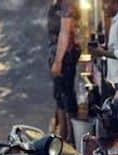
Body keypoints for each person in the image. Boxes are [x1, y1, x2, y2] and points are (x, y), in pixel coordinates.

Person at [49, 0, 81, 145]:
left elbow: (65, 32)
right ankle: (63, 132)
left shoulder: (67, 3)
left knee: (66, 93)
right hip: (56, 52)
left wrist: (58, 61)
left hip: (65, 55)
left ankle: (70, 135)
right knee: (59, 93)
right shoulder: (57, 4)